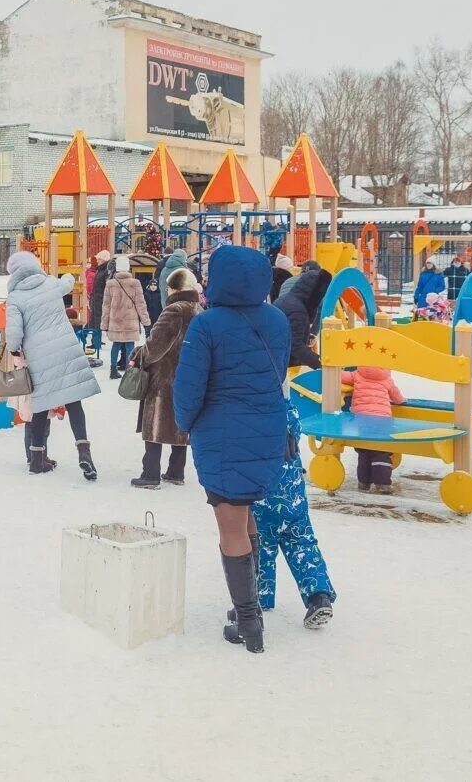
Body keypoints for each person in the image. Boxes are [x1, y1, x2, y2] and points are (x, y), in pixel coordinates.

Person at [172, 244, 291, 654]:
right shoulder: (276, 320)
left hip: (222, 434)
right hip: (267, 431)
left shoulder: (206, 326)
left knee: (230, 526)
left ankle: (248, 622)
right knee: (246, 516)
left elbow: (188, 389)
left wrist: (185, 423)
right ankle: (249, 607)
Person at [4, 251, 101, 479]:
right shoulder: (50, 284)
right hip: (65, 350)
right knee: (74, 402)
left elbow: (14, 333)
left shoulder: (15, 297)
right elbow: (67, 283)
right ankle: (84, 452)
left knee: (40, 405)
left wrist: (15, 350)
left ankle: (37, 460)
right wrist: (68, 275)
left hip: (39, 357)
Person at [254, 403, 336, 629]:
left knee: (261, 546)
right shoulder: (290, 421)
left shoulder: (253, 424)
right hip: (293, 499)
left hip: (261, 501)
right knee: (303, 545)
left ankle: (261, 597)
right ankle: (319, 596)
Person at [131, 268, 202, 488]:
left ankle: (150, 473)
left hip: (165, 375)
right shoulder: (199, 309)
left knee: (155, 423)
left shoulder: (174, 310)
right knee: (180, 423)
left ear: (173, 288)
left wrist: (138, 355)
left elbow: (155, 346)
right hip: (189, 376)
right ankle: (175, 472)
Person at [340, 365, 405, 492]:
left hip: (361, 419)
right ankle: (383, 484)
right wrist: (401, 401)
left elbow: (341, 376)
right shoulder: (386, 378)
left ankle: (364, 482)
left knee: (364, 451)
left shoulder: (357, 374)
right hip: (382, 420)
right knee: (381, 450)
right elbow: (396, 397)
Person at [100, 255, 150, 380]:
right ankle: (129, 371)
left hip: (115, 321)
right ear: (128, 268)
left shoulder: (110, 283)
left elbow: (105, 306)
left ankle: (113, 369)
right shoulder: (135, 283)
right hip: (130, 321)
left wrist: (104, 324)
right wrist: (145, 320)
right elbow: (140, 303)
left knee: (115, 345)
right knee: (129, 346)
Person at [274, 259, 329, 370]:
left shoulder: (291, 297)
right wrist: (321, 363)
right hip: (283, 357)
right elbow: (296, 347)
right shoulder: (297, 310)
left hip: (276, 350)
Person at [83, 249, 112, 366]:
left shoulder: (104, 271)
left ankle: (96, 342)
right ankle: (96, 341)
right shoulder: (101, 270)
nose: (97, 260)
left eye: (99, 258)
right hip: (96, 299)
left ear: (103, 259)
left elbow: (106, 286)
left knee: (97, 320)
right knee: (94, 320)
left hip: (100, 299)